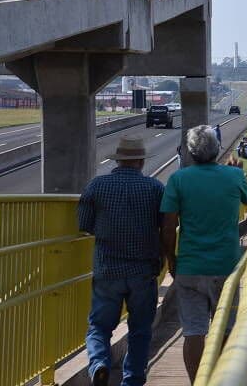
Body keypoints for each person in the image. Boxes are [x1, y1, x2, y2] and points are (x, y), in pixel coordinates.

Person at [161, 125, 247, 383]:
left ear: (191, 152)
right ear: (217, 149)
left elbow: (168, 227)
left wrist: (171, 260)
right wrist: (240, 172)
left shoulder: (178, 179)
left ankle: (197, 382)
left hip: (190, 267)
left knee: (193, 332)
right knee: (226, 328)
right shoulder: (233, 175)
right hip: (226, 267)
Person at [78, 136, 165, 386]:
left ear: (118, 160)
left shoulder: (96, 186)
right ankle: (133, 379)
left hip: (108, 269)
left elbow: (84, 224)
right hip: (143, 270)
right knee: (140, 330)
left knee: (99, 327)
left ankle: (99, 364)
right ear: (140, 161)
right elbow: (166, 225)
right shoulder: (155, 188)